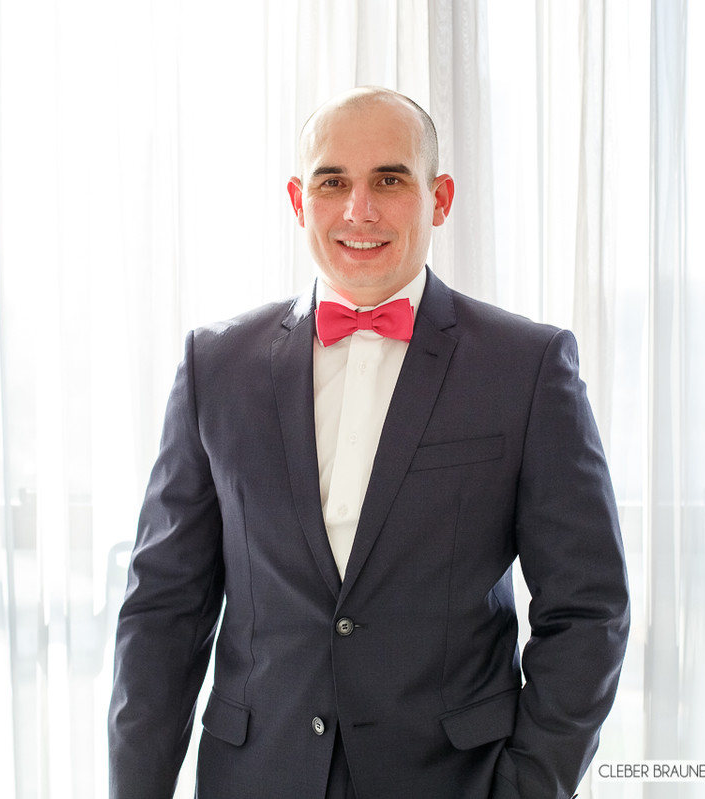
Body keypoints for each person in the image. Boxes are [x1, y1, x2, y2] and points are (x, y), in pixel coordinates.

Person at [108, 86, 630, 799]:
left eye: (390, 179)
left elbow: (587, 607)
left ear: (439, 197)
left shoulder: (528, 367)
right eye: (333, 182)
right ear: (298, 200)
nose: (359, 209)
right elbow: (165, 609)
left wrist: (526, 786)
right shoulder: (215, 367)